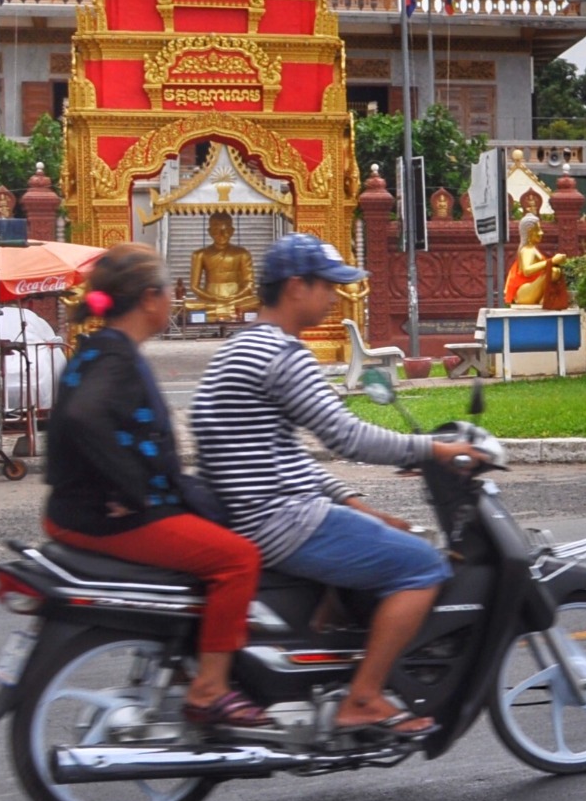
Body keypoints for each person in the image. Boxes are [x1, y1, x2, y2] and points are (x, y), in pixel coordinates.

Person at [192, 233, 476, 738]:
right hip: (282, 521)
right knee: (423, 566)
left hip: (254, 511)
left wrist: (352, 503)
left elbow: (280, 453)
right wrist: (435, 449)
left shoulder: (240, 346)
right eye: (327, 287)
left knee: (386, 534)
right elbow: (347, 437)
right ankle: (363, 698)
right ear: (297, 287)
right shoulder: (284, 353)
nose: (333, 298)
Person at [40, 244, 272, 731]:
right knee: (238, 560)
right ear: (149, 299)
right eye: (170, 292)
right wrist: (131, 491)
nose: (175, 301)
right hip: (105, 516)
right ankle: (210, 689)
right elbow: (84, 418)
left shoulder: (100, 348)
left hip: (79, 509)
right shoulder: (116, 358)